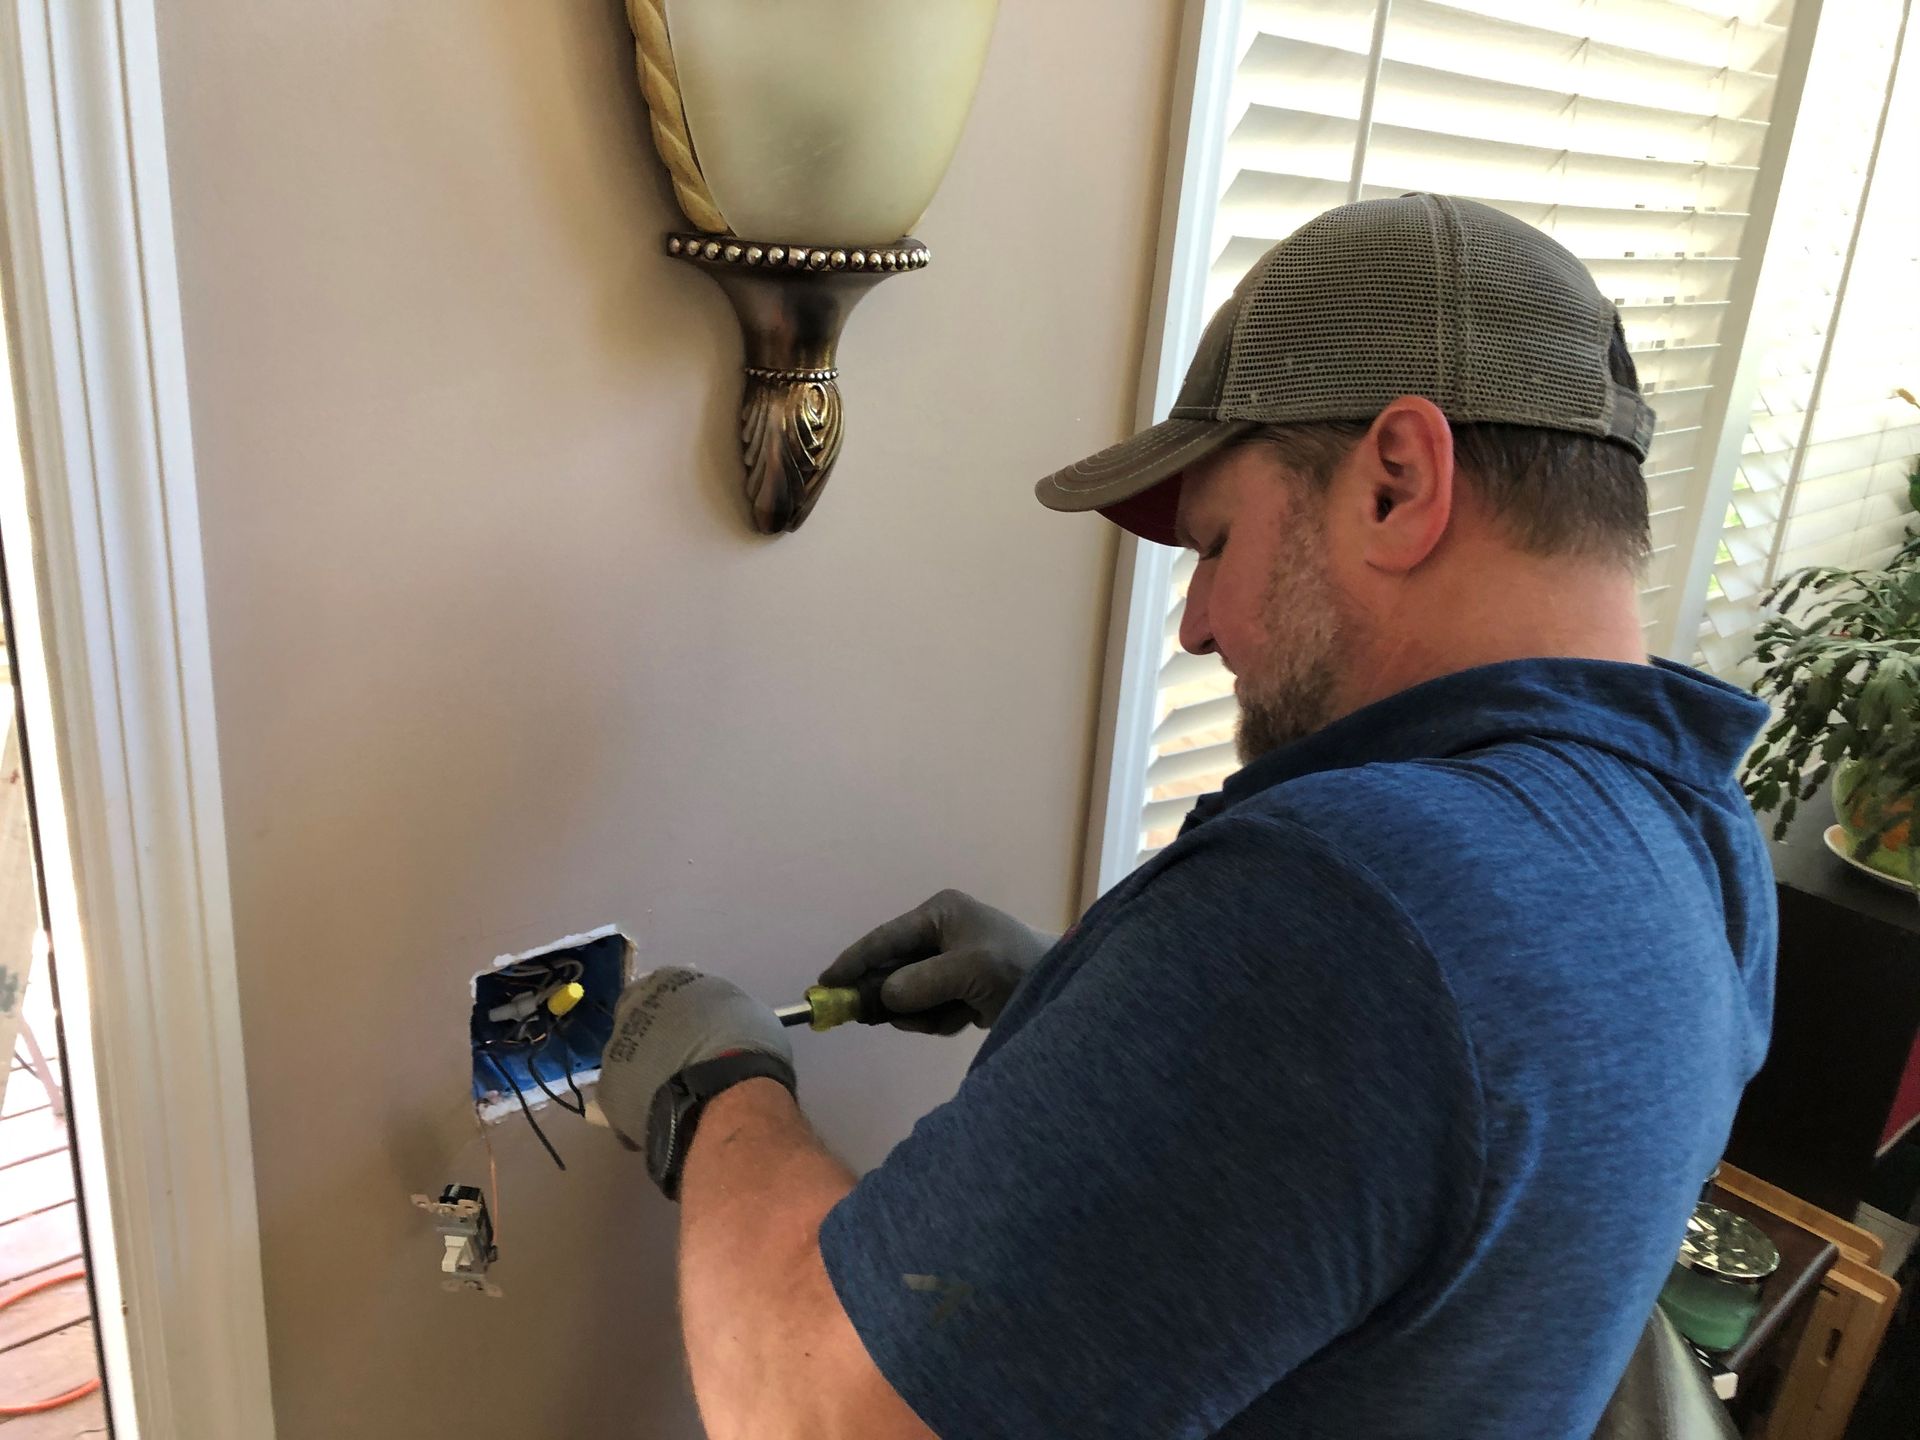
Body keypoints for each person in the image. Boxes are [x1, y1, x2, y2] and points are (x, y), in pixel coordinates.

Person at [593, 193, 1776, 1439]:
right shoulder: (1699, 839)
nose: (1198, 623)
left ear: (1396, 483)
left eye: (1216, 543)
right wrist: (1097, 1011)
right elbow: (1459, 1179)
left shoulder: (1344, 907)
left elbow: (810, 1409)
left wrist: (718, 1088)